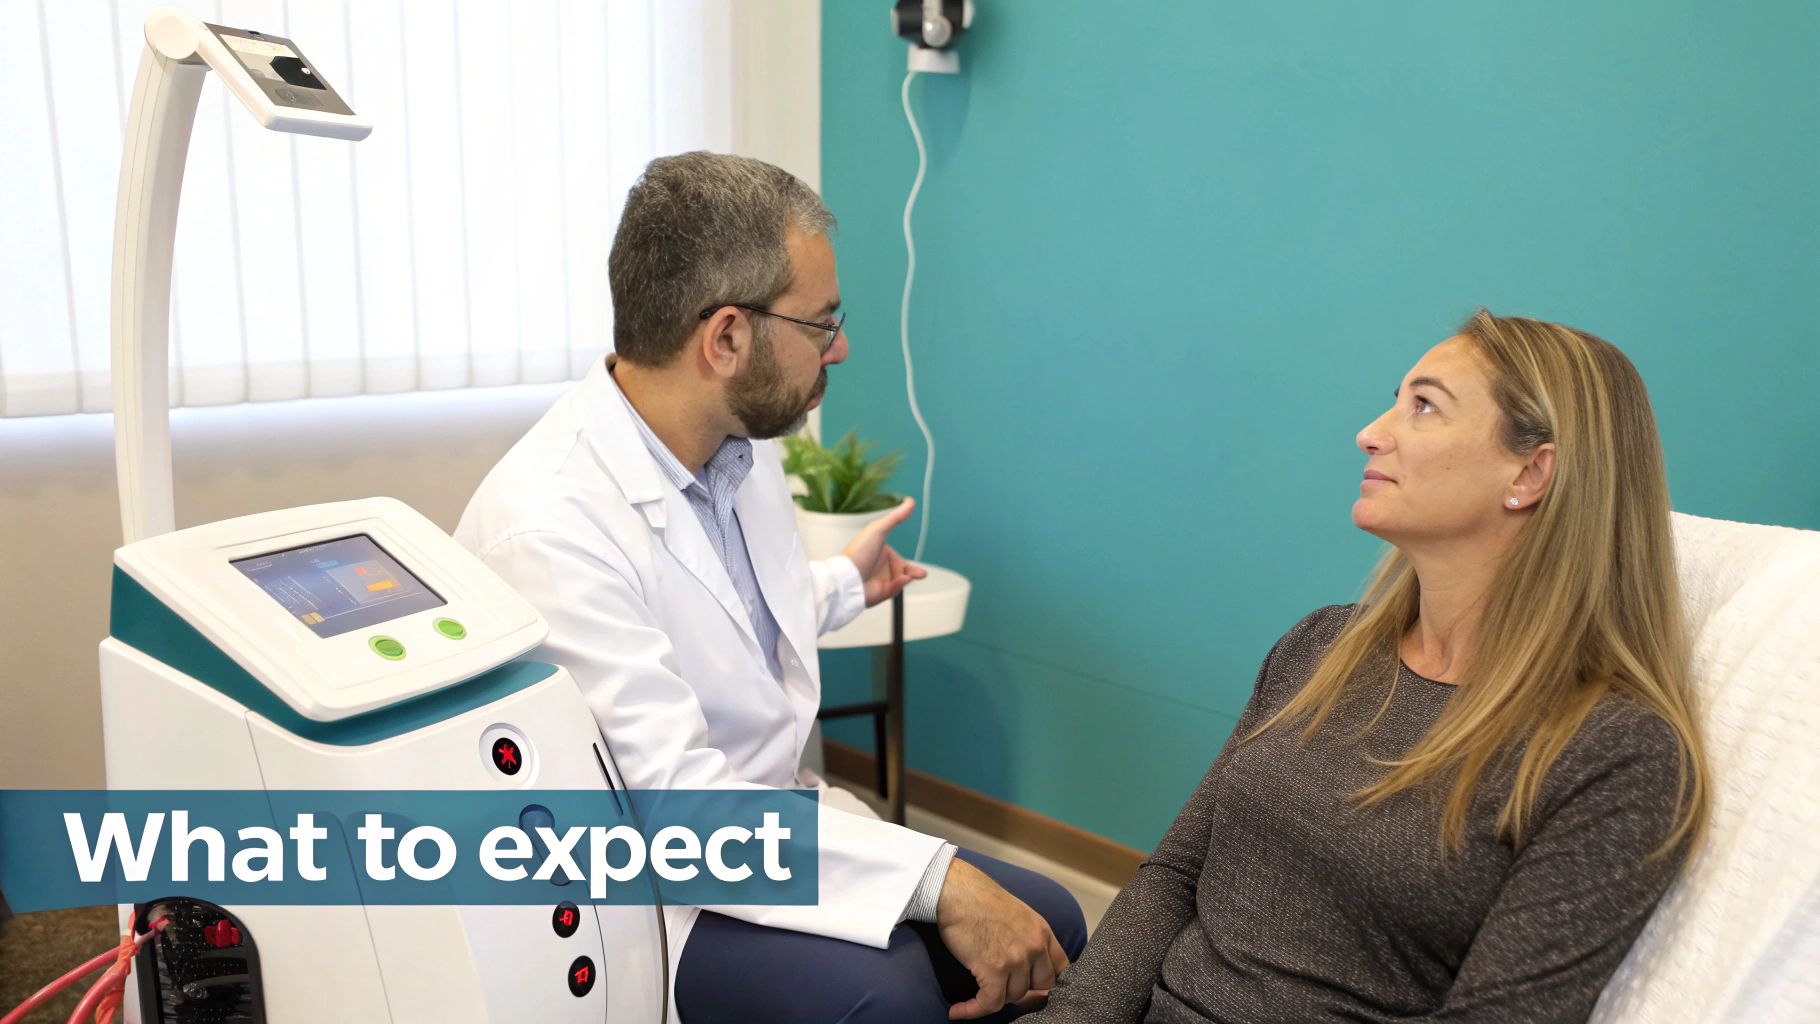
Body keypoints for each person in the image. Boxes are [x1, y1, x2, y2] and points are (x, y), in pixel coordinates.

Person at [455, 151, 1084, 1022]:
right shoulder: (552, 526)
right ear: (725, 338)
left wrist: (839, 585)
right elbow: (683, 818)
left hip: (769, 827)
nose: (843, 346)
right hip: (656, 887)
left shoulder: (735, 449)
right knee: (892, 993)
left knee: (1051, 925)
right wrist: (940, 880)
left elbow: (724, 617)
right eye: (823, 324)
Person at [1033, 310, 1709, 1024]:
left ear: (1531, 472)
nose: (1371, 432)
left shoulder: (1611, 755)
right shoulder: (1322, 647)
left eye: (1423, 407)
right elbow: (1175, 877)